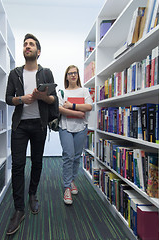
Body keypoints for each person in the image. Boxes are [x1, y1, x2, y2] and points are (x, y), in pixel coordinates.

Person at [5, 33, 57, 235]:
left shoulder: (47, 73)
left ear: (38, 51)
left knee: (37, 162)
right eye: (25, 44)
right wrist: (21, 100)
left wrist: (43, 97)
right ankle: (19, 209)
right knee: (18, 165)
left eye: (31, 44)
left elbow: (54, 101)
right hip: (20, 125)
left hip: (39, 124)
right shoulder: (14, 73)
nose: (27, 46)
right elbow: (8, 98)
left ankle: (32, 194)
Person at [58, 65, 93, 205]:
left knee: (77, 157)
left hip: (81, 128)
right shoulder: (61, 92)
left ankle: (72, 180)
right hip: (65, 127)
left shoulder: (84, 91)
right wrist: (78, 112)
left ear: (78, 75)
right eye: (70, 73)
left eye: (75, 73)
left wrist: (71, 106)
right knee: (68, 156)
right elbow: (60, 109)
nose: (73, 75)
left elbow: (89, 106)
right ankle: (67, 187)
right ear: (66, 76)